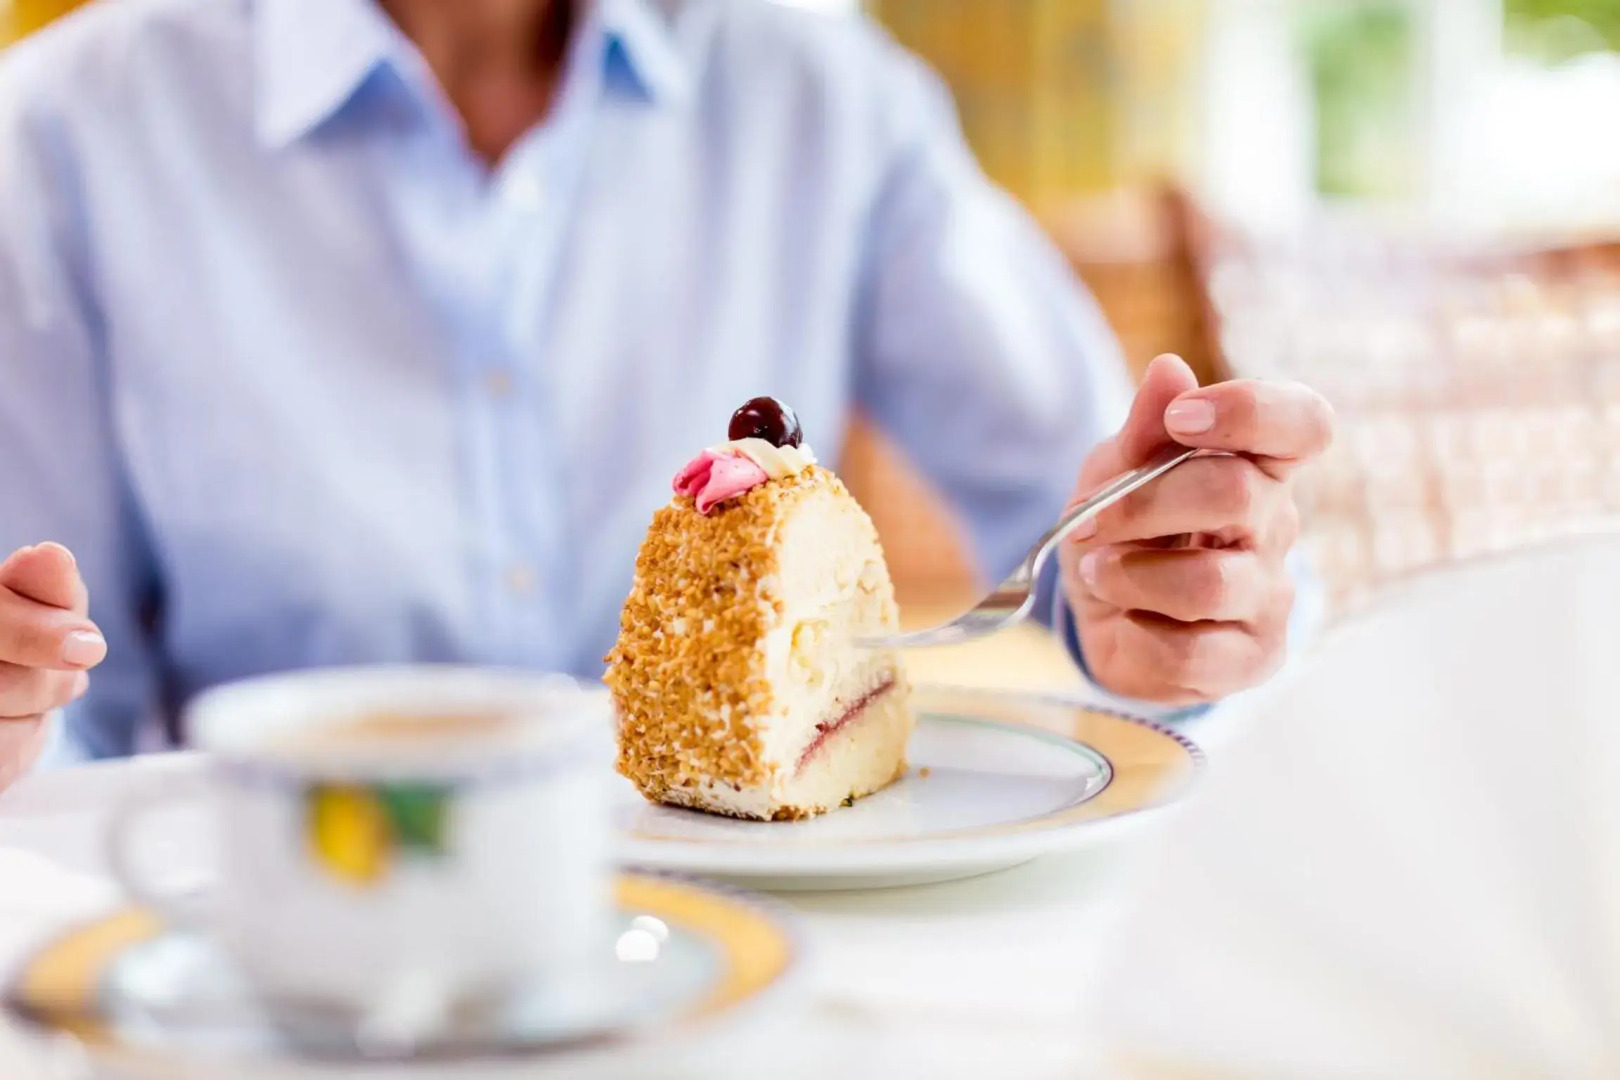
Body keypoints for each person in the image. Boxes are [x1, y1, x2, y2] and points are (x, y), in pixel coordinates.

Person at [0, 0, 1333, 781]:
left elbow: (1095, 524)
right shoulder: (71, 130)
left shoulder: (815, 83)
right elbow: (58, 709)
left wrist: (1173, 585)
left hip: (757, 955)